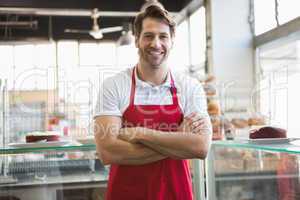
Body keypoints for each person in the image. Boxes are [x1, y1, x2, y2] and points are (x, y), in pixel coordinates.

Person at [94, 4, 212, 200]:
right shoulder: (114, 85)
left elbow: (200, 147)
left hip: (176, 193)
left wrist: (140, 133)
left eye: (163, 36)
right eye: (148, 36)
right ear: (137, 40)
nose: (156, 44)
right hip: (126, 194)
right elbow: (108, 152)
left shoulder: (190, 87)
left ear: (172, 41)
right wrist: (178, 140)